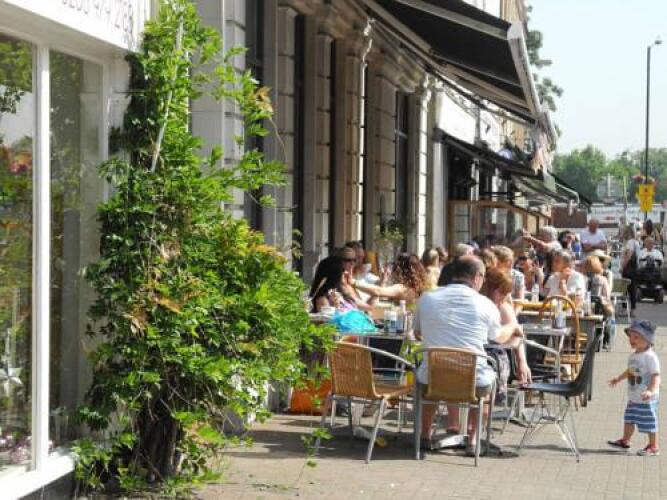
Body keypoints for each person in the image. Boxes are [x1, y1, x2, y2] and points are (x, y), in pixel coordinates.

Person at [414, 256, 524, 451]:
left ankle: (424, 434)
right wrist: (513, 326)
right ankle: (473, 438)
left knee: (430, 384)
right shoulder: (485, 304)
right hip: (472, 379)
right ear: (477, 277)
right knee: (487, 384)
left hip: (432, 376)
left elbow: (417, 333)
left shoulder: (427, 298)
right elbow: (498, 337)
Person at [608, 319, 661, 456]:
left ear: (648, 340)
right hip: (634, 396)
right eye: (630, 336)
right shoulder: (634, 355)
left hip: (646, 398)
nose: (632, 340)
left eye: (636, 337)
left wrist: (650, 391)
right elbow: (630, 371)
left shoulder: (650, 357)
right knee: (629, 419)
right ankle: (625, 440)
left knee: (649, 421)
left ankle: (653, 446)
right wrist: (618, 378)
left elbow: (656, 376)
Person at [352, 253, 427, 306]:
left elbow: (378, 291)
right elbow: (373, 303)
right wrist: (383, 281)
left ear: (399, 270)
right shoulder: (417, 287)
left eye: (395, 267)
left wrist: (353, 282)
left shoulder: (402, 289)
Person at [621, 225, 641, 317]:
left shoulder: (630, 242)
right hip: (634, 269)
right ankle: (633, 310)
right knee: (632, 289)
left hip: (628, 269)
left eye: (624, 231)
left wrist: (622, 266)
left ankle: (625, 310)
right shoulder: (635, 242)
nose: (622, 233)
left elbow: (629, 255)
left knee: (624, 289)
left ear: (627, 232)